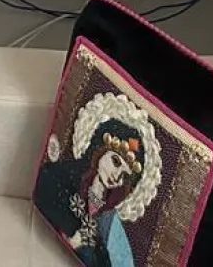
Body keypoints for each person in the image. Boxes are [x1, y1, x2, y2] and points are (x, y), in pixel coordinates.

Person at [33, 112, 157, 267]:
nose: (116, 176)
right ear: (101, 149)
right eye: (115, 162)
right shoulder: (64, 175)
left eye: (124, 175)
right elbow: (44, 189)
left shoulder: (110, 221)